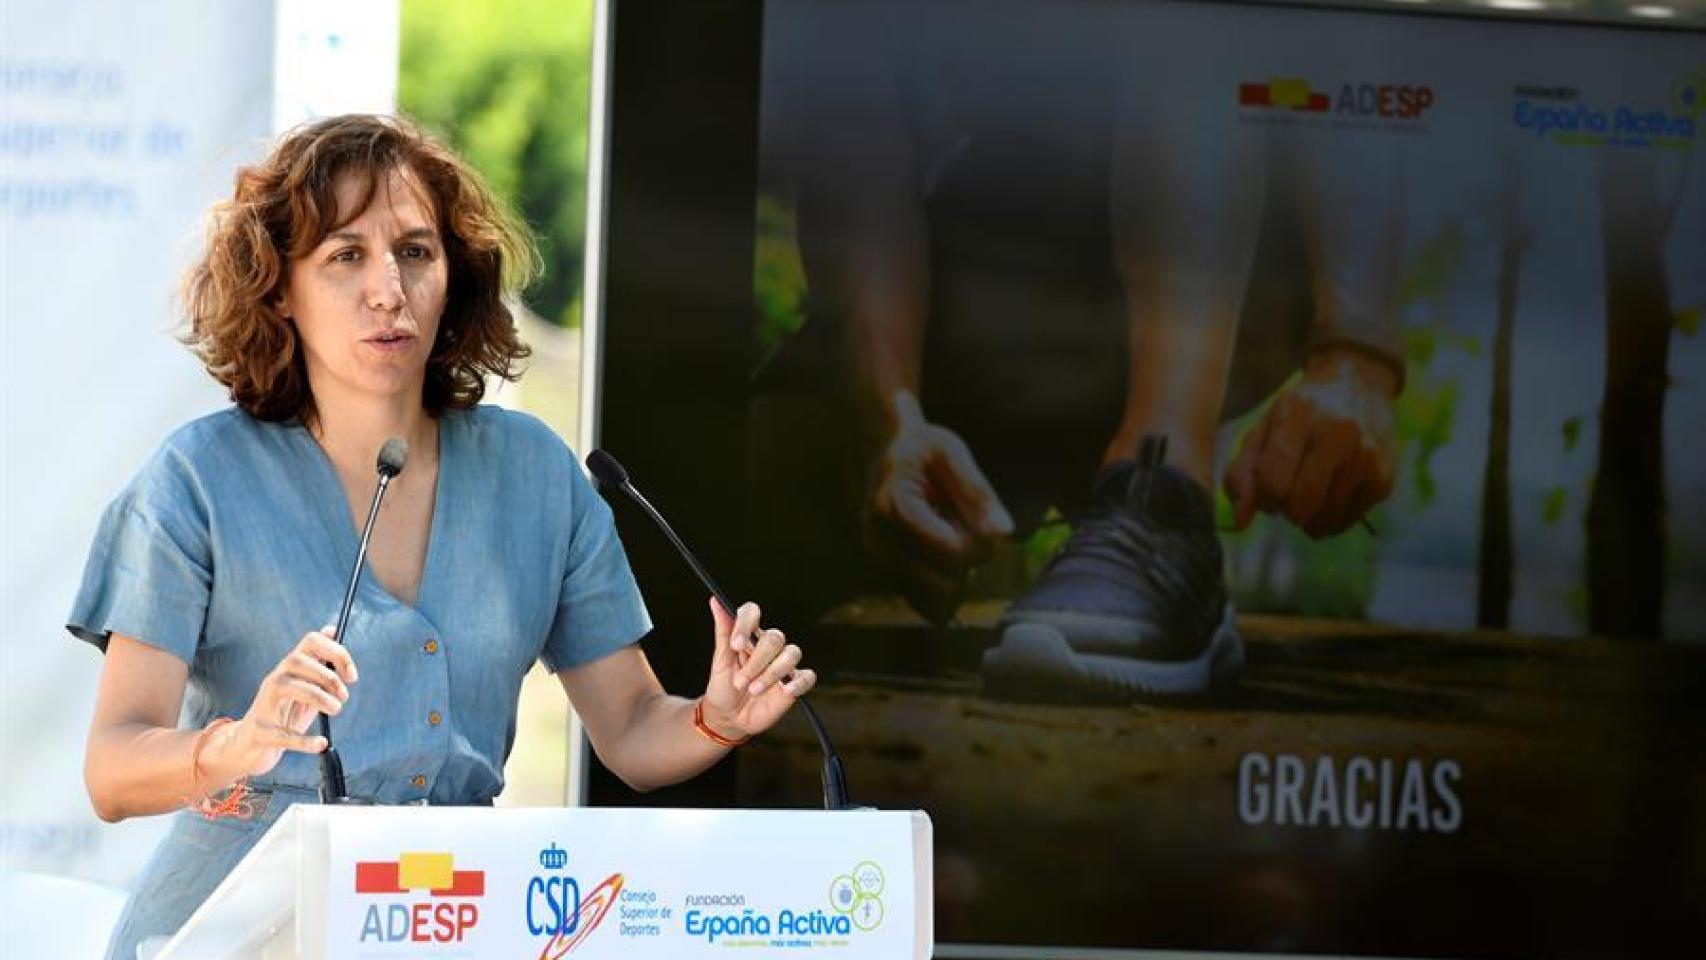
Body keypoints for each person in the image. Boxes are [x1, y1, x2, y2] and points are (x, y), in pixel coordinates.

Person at [67, 114, 816, 960]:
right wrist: (235, 744)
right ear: (279, 288)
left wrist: (715, 719)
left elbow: (635, 729)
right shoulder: (195, 479)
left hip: (447, 925)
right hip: (227, 934)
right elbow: (113, 769)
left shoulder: (534, 473)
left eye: (416, 253)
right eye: (346, 256)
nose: (388, 288)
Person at [773, 0, 1404, 699]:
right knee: (731, 545)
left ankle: (1160, 489)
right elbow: (853, 123)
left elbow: (1348, 56)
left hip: (1219, 277)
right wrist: (891, 420)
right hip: (971, 333)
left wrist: (1356, 351)